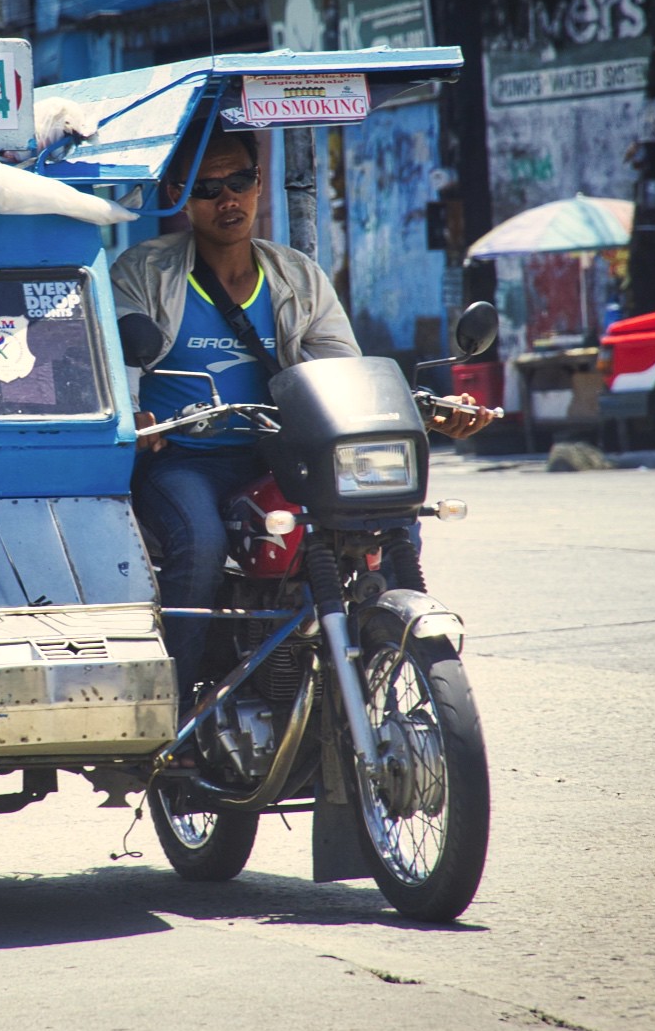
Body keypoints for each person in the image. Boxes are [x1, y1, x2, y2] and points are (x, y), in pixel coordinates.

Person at [111, 126, 493, 708]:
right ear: (179, 193)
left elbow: (346, 373)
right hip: (186, 462)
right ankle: (174, 708)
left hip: (281, 457)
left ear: (259, 182)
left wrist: (427, 412)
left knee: (388, 518)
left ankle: (373, 672)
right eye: (207, 188)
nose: (227, 200)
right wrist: (130, 412)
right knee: (202, 544)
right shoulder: (143, 272)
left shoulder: (297, 277)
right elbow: (109, 358)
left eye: (238, 182)